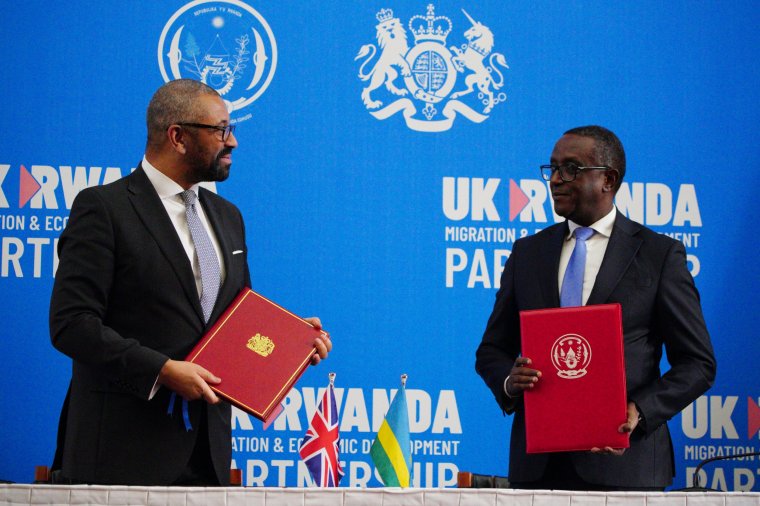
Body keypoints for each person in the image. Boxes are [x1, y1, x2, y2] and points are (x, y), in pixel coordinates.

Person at [49, 79, 332, 486]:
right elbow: (71, 324)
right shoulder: (104, 209)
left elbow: (235, 322)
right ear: (178, 136)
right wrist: (162, 370)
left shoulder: (227, 216)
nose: (231, 142)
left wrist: (291, 342)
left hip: (207, 453)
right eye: (220, 130)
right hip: (122, 452)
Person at [475, 125, 716, 490]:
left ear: (608, 179)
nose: (555, 179)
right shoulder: (528, 254)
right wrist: (511, 380)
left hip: (625, 465)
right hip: (539, 470)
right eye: (552, 169)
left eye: (571, 169)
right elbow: (491, 349)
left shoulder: (659, 256)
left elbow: (698, 363)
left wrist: (641, 410)